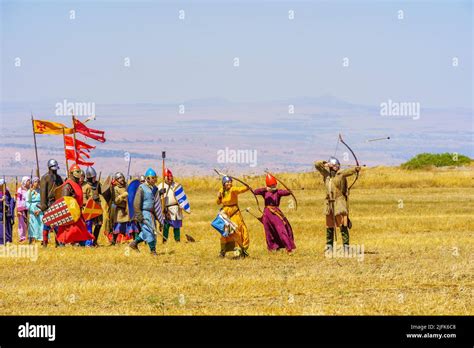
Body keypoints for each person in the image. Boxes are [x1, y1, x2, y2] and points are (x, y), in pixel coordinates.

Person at [314, 157, 360, 253]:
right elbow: (316, 164)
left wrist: (355, 169)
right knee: (329, 226)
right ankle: (329, 247)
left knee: (343, 224)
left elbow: (348, 171)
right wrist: (325, 163)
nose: (336, 167)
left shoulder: (340, 174)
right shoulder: (326, 174)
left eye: (337, 165)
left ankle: (346, 247)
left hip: (339, 202)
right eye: (334, 165)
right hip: (329, 203)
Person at [254, 173, 296, 253]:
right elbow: (255, 192)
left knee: (281, 229)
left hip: (276, 212)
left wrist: (289, 191)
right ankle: (273, 248)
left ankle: (289, 248)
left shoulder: (278, 192)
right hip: (267, 213)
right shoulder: (265, 191)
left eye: (274, 185)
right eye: (271, 185)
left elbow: (287, 192)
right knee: (269, 231)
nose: (273, 187)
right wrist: (265, 189)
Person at [56, 164, 93, 244]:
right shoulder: (68, 185)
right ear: (72, 173)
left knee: (80, 229)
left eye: (79, 171)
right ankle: (61, 244)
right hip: (70, 212)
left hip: (78, 211)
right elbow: (65, 199)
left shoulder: (77, 184)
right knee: (67, 230)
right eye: (77, 171)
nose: (79, 173)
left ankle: (80, 243)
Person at [129, 168, 163, 255]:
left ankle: (134, 243)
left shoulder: (154, 188)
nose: (155, 179)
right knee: (148, 231)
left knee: (149, 231)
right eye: (153, 178)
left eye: (155, 177)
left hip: (151, 213)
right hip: (144, 213)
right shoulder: (141, 188)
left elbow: (155, 202)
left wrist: (159, 193)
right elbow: (136, 203)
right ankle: (153, 251)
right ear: (148, 178)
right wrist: (139, 216)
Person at [216, 176, 250, 258]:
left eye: (230, 182)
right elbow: (218, 202)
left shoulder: (233, 189)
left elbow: (241, 189)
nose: (229, 183)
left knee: (237, 231)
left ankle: (241, 250)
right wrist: (219, 197)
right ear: (223, 184)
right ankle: (223, 251)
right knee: (224, 233)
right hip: (225, 215)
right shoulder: (221, 191)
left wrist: (247, 187)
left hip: (235, 213)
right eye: (227, 182)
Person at [38, 159, 63, 247]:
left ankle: (58, 242)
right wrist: (43, 205)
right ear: (49, 168)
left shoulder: (59, 178)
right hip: (48, 203)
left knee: (58, 224)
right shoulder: (45, 178)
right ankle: (45, 243)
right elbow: (43, 192)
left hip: (57, 203)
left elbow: (61, 190)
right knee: (47, 224)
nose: (55, 170)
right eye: (53, 169)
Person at [157, 168, 186, 243]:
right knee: (166, 226)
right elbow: (156, 198)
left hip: (176, 208)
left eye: (171, 177)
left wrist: (181, 205)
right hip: (166, 209)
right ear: (165, 178)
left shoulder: (176, 185)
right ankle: (164, 240)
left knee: (176, 226)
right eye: (168, 177)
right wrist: (159, 193)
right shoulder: (160, 186)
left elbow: (182, 197)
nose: (170, 178)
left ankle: (177, 240)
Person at [110, 172, 137, 245]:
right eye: (119, 178)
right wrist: (122, 196)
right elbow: (115, 201)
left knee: (131, 225)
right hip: (120, 210)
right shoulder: (115, 189)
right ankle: (113, 241)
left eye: (121, 177)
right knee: (118, 226)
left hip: (128, 210)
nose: (121, 179)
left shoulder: (127, 186)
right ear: (116, 180)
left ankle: (135, 241)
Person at [82, 166, 102, 246]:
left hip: (97, 207)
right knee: (89, 226)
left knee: (99, 224)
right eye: (93, 177)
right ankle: (88, 243)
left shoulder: (97, 184)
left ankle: (95, 241)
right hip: (89, 208)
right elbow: (84, 199)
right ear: (89, 178)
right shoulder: (86, 186)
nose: (95, 178)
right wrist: (89, 202)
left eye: (95, 176)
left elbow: (102, 192)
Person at [25, 177, 43, 244]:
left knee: (41, 225)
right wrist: (32, 210)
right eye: (35, 182)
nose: (37, 183)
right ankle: (32, 238)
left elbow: (43, 201)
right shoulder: (29, 192)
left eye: (38, 182)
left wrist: (39, 210)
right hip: (32, 211)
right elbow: (27, 202)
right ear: (32, 183)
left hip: (40, 209)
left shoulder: (41, 191)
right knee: (33, 225)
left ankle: (42, 239)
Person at [0, 178, 15, 245]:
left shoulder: (7, 192)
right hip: (0, 212)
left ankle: (7, 239)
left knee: (8, 226)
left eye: (4, 184)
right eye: (2, 185)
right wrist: (1, 200)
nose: (3, 186)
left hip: (7, 212)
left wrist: (13, 200)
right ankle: (1, 241)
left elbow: (10, 200)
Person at [16, 176, 31, 243]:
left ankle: (30, 236)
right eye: (28, 181)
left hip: (28, 208)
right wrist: (18, 210)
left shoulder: (30, 189)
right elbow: (18, 199)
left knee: (29, 223)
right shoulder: (20, 190)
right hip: (22, 209)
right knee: (22, 224)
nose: (29, 182)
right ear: (24, 182)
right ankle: (22, 237)